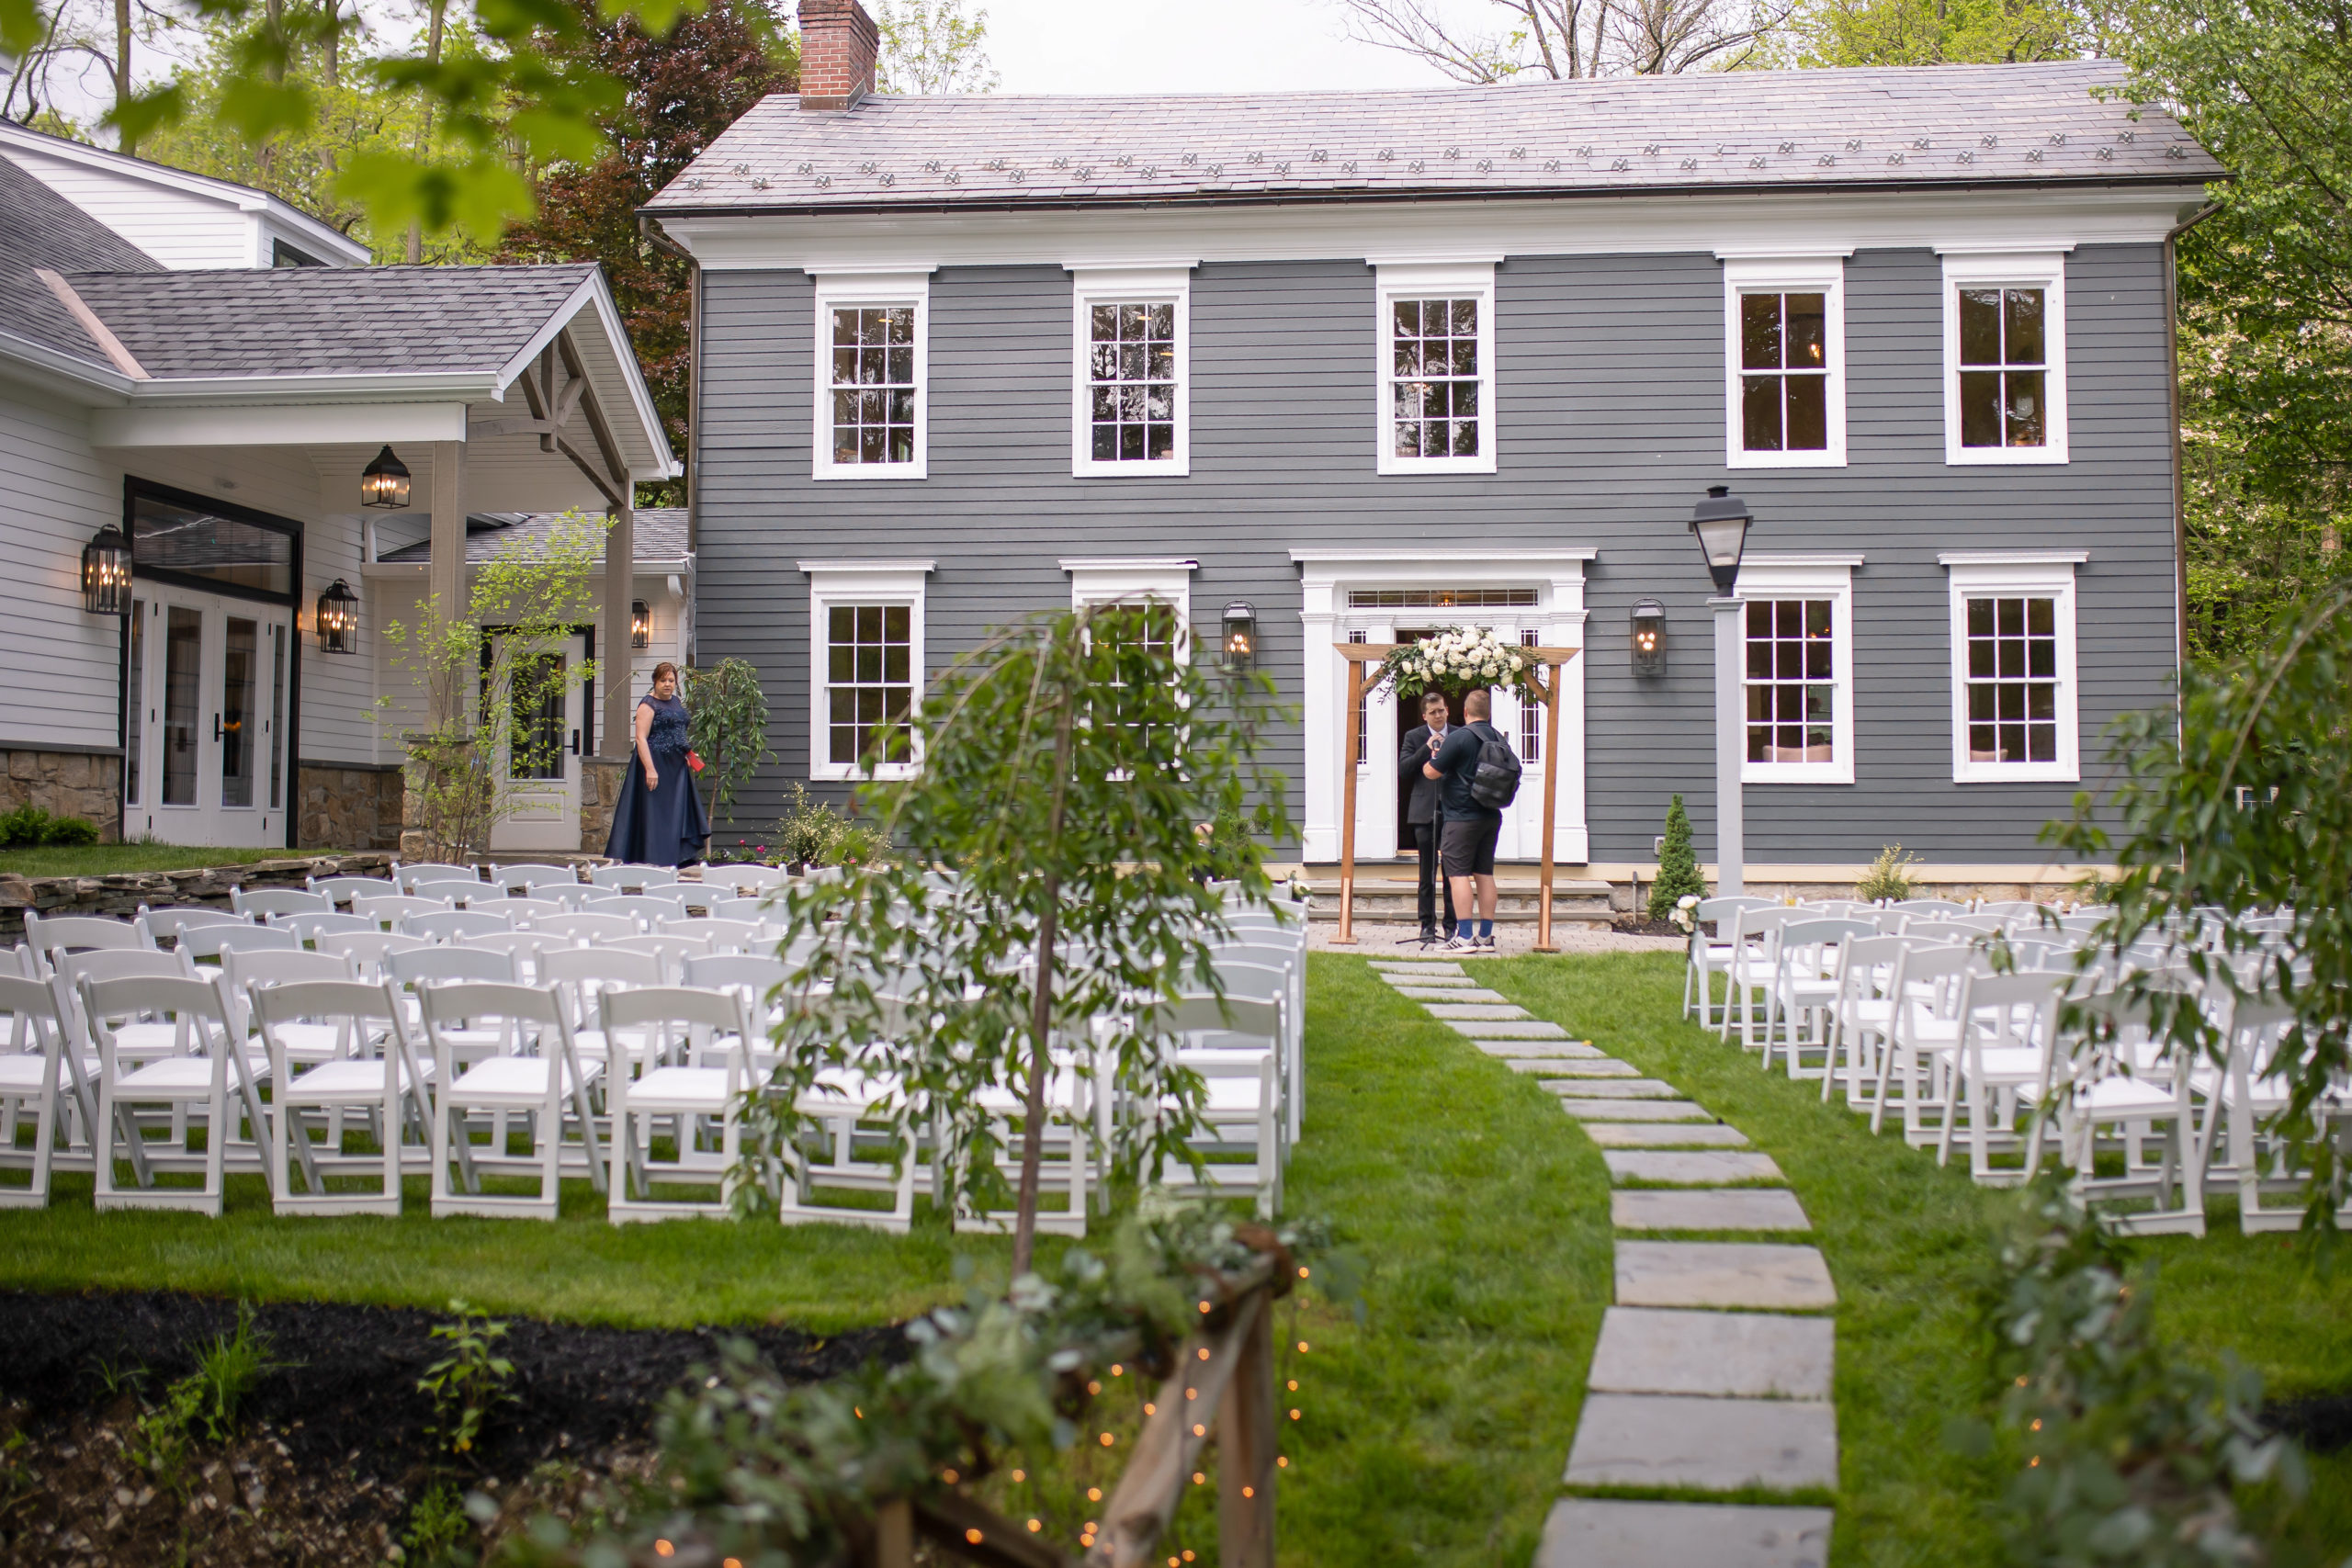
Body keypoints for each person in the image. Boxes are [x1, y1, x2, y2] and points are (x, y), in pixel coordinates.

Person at [1424, 686, 1509, 953]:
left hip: (1461, 818)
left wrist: (1433, 758)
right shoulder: (1498, 737)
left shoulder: (1460, 737)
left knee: (1457, 875)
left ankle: (1464, 937)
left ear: (1465, 711)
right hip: (1491, 815)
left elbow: (1432, 773)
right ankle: (1485, 937)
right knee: (1484, 874)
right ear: (1489, 712)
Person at [604, 661, 710, 868]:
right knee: (655, 813)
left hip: (676, 767)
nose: (667, 684)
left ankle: (673, 858)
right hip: (655, 764)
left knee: (674, 813)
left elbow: (678, 733)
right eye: (663, 680)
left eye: (671, 680)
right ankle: (653, 859)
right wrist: (650, 769)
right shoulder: (647, 704)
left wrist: (688, 753)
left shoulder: (676, 702)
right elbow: (641, 738)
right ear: (655, 681)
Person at [1397, 689, 1457, 944]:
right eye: (1432, 713)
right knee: (1427, 873)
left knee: (1453, 872)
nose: (1438, 716)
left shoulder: (1458, 734)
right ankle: (1427, 925)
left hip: (1454, 811)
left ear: (1447, 710)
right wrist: (1427, 748)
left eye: (1441, 710)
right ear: (1424, 716)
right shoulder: (1414, 737)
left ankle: (1452, 925)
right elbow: (1404, 769)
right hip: (1424, 812)